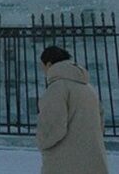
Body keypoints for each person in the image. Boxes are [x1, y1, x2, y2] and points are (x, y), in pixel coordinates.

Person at [36, 45, 108, 174]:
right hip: (93, 159)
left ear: (49, 64)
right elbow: (100, 122)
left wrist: (42, 143)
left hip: (65, 161)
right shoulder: (88, 88)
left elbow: (52, 126)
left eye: (43, 67)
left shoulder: (57, 88)